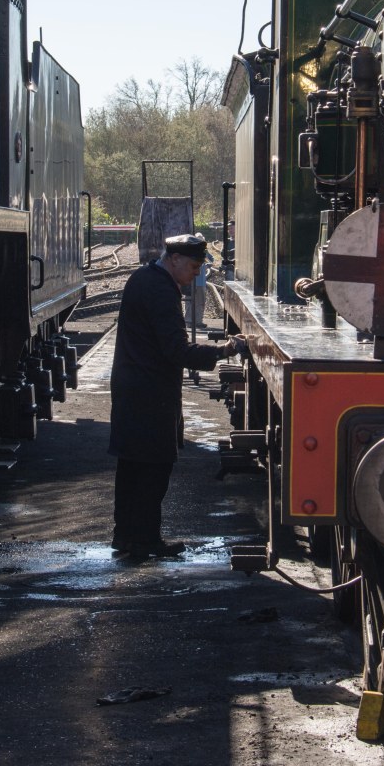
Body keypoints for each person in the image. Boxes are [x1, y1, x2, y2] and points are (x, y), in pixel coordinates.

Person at [108, 233, 245, 560]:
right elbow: (176, 350)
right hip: (149, 392)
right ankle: (145, 540)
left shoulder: (142, 278)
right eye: (195, 267)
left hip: (132, 386)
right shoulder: (161, 290)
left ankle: (125, 536)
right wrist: (224, 350)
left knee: (131, 467)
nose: (196, 274)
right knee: (154, 468)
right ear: (175, 259)